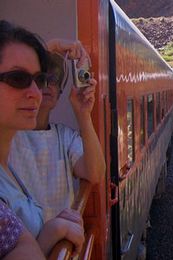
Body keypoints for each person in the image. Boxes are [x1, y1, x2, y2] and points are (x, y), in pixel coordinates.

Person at [0, 20, 84, 256]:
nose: (37, 93)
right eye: (18, 79)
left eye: (39, 80)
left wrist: (49, 234)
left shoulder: (7, 168)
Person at [9, 41, 105, 222]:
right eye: (41, 79)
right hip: (21, 247)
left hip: (60, 247)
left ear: (60, 93)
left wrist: (83, 114)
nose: (47, 85)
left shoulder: (65, 136)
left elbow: (96, 173)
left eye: (53, 80)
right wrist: (51, 46)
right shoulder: (8, 135)